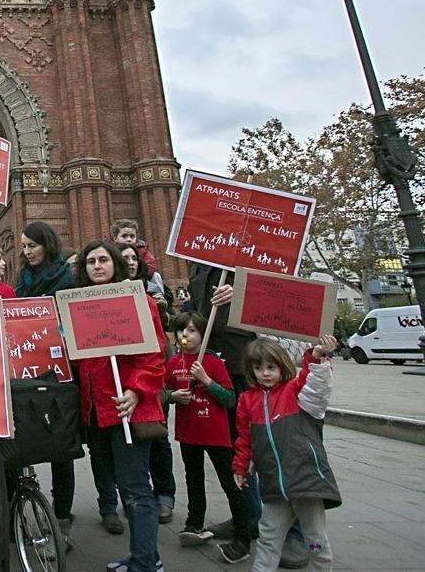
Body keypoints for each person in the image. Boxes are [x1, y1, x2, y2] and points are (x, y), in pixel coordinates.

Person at [74, 240, 166, 572]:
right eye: (90, 261)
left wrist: (136, 391)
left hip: (128, 408)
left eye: (103, 260)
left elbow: (155, 356)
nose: (97, 266)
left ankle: (145, 564)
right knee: (121, 487)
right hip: (99, 411)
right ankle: (146, 555)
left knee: (136, 491)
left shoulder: (138, 300)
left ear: (115, 262)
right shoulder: (80, 305)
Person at [233, 336, 341, 571]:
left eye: (271, 367)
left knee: (316, 541)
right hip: (274, 484)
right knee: (268, 538)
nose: (265, 373)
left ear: (281, 366)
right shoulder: (247, 400)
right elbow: (244, 439)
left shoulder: (294, 391)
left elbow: (312, 381)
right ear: (250, 370)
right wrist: (240, 467)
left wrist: (317, 355)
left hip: (306, 482)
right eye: (258, 367)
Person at [165, 312, 253, 563]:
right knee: (193, 479)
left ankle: (243, 535)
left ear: (203, 336)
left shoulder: (214, 363)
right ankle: (194, 523)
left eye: (192, 331)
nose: (186, 335)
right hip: (188, 434)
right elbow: (163, 390)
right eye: (182, 330)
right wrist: (173, 396)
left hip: (216, 435)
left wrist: (206, 380)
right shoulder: (173, 364)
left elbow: (229, 398)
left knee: (230, 484)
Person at [12, 222, 77, 548]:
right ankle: (22, 507)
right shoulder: (22, 281)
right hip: (27, 369)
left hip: (59, 370)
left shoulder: (68, 278)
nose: (27, 251)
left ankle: (61, 521)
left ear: (46, 244)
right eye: (23, 246)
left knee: (61, 448)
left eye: (32, 245)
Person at [119, 243, 176, 524]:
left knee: (154, 445)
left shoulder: (148, 300)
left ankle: (146, 558)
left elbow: (155, 351)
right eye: (123, 257)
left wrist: (136, 388)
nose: (129, 262)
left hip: (143, 393)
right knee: (129, 481)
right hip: (113, 402)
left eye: (133, 257)